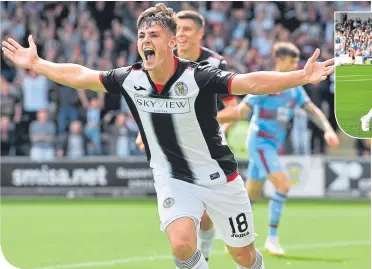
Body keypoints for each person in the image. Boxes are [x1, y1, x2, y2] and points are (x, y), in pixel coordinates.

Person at [2, 4, 334, 269]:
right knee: (181, 243)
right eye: (142, 35)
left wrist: (300, 77)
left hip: (219, 177)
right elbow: (81, 75)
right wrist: (38, 64)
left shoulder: (198, 76)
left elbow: (251, 83)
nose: (146, 40)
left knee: (243, 257)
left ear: (172, 42)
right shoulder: (130, 78)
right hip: (173, 176)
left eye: (155, 35)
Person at [217, 42, 339, 256]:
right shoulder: (265, 85)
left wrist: (328, 129)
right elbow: (241, 112)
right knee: (283, 184)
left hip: (272, 145)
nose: (295, 66)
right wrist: (219, 125)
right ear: (280, 61)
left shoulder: (295, 89)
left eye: (296, 62)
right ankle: (272, 239)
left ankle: (233, 238)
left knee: (250, 195)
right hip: (260, 142)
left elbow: (312, 111)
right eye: (292, 62)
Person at [134, 10, 238, 261]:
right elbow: (153, 101)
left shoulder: (214, 63)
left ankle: (207, 253)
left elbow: (233, 109)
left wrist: (196, 119)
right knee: (188, 223)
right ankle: (200, 257)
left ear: (200, 33)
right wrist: (144, 131)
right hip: (174, 150)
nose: (180, 34)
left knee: (206, 217)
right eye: (177, 29)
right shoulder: (159, 60)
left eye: (187, 30)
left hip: (207, 147)